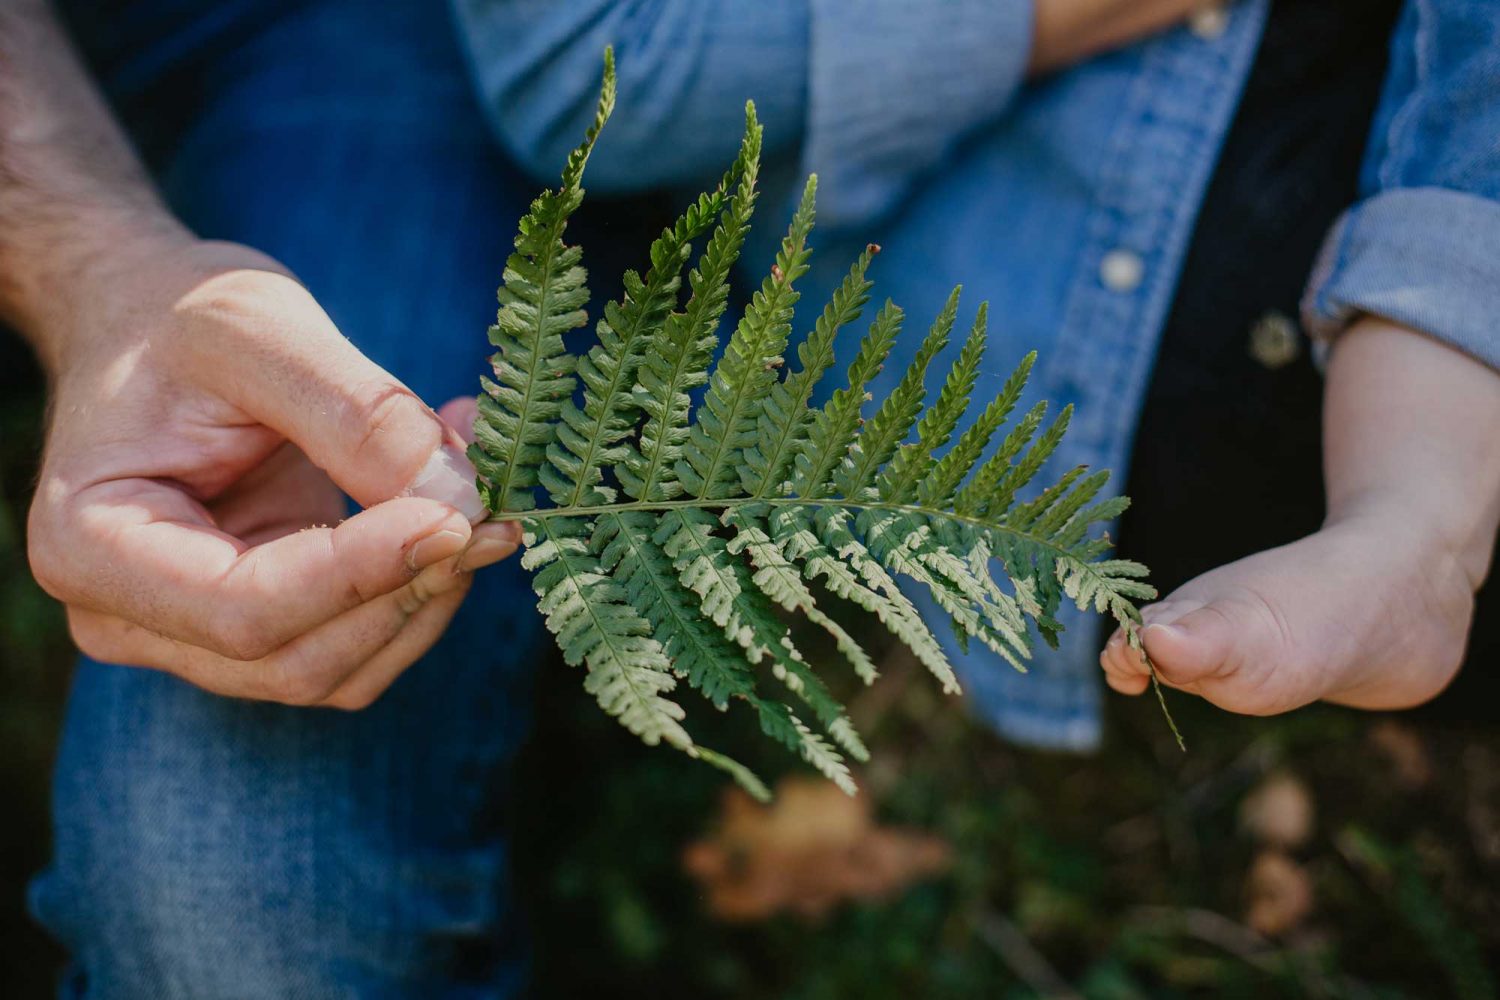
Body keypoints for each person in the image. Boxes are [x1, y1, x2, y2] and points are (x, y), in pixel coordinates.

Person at [1, 0, 1494, 996]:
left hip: (804, 121)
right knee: (210, 892)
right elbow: (582, 72)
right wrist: (92, 272)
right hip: (327, 47)